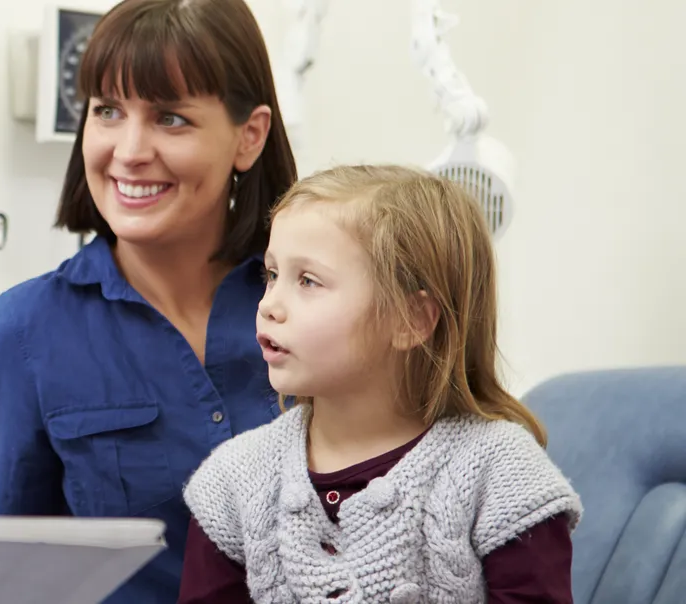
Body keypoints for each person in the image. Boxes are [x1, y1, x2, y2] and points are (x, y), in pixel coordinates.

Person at [0, 0, 296, 601]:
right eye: (108, 111)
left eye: (170, 118)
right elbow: (6, 579)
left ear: (249, 136)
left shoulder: (317, 306)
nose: (129, 149)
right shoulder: (27, 332)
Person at [179, 165, 582, 603]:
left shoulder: (501, 475)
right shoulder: (233, 482)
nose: (270, 305)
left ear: (411, 320)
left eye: (308, 281)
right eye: (272, 275)